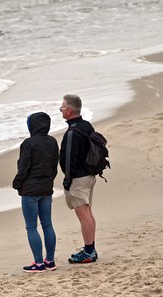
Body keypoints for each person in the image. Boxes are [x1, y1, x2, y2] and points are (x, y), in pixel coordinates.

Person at [13, 112, 59, 273]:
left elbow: (23, 168)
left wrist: (17, 184)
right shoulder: (52, 141)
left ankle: (39, 263)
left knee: (31, 227)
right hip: (47, 187)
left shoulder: (28, 143)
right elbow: (54, 167)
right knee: (47, 224)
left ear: (32, 125)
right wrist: (48, 181)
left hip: (30, 190)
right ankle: (50, 261)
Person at [59, 94, 98, 263]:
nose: (61, 110)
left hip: (79, 178)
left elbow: (68, 160)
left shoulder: (72, 132)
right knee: (87, 212)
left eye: (62, 108)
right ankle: (90, 248)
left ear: (68, 111)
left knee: (83, 214)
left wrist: (67, 180)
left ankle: (89, 251)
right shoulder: (86, 126)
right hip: (89, 174)